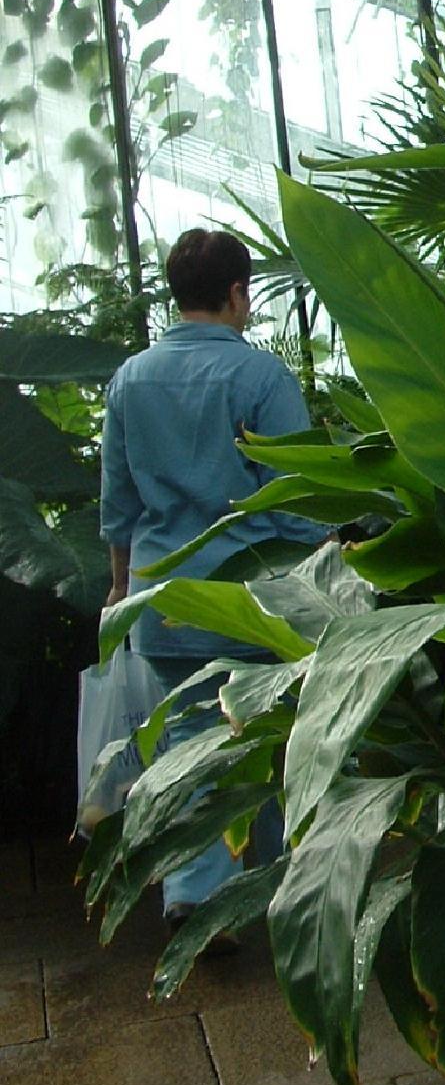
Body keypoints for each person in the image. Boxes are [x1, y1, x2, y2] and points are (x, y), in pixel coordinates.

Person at [99, 228, 323, 930]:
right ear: (235, 293)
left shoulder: (129, 379)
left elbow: (119, 501)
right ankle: (247, 894)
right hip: (249, 601)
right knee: (269, 740)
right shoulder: (261, 379)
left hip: (161, 601)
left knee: (191, 746)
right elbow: (293, 498)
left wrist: (118, 586)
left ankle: (200, 894)